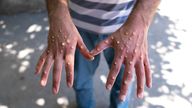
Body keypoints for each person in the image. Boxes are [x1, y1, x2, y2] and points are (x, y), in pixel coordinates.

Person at [35, 0, 160, 108]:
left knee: (124, 83)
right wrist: (58, 12)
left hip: (126, 25)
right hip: (75, 27)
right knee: (80, 81)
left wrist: (141, 20)